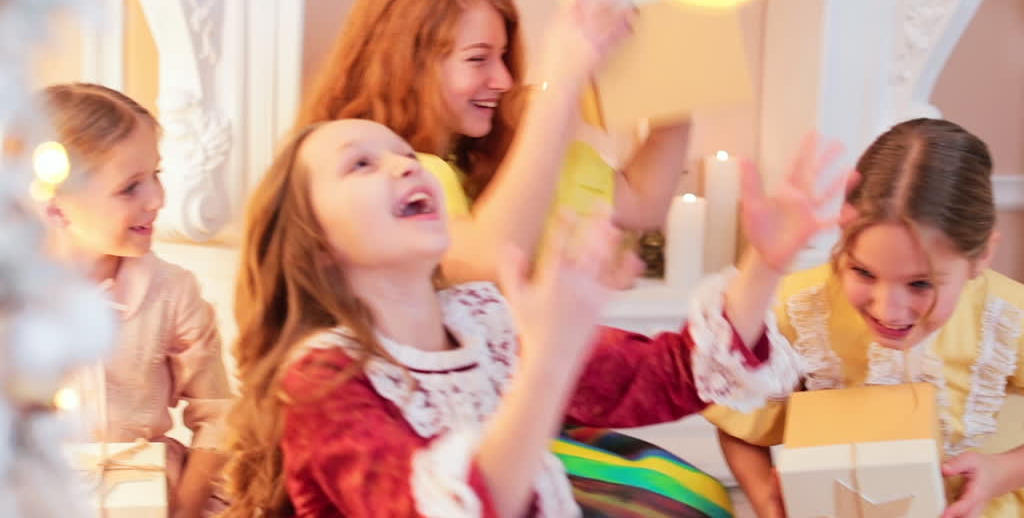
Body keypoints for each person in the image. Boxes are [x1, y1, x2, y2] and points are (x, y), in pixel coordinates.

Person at [222, 118, 842, 517]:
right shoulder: (318, 382)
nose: (404, 164)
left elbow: (673, 373)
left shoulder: (484, 321)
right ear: (315, 243)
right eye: (360, 163)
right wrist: (548, 358)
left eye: (405, 152)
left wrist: (763, 263)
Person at [707, 118, 1024, 518]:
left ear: (981, 257)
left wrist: (1001, 472)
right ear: (844, 233)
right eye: (862, 272)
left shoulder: (1010, 320)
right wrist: (765, 498)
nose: (887, 310)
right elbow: (737, 419)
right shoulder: (798, 309)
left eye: (920, 284)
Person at [41, 83, 231, 518]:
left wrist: (183, 506)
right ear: (56, 207)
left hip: (154, 497)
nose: (158, 200)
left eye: (156, 176)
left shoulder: (172, 291)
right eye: (131, 188)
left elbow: (220, 416)